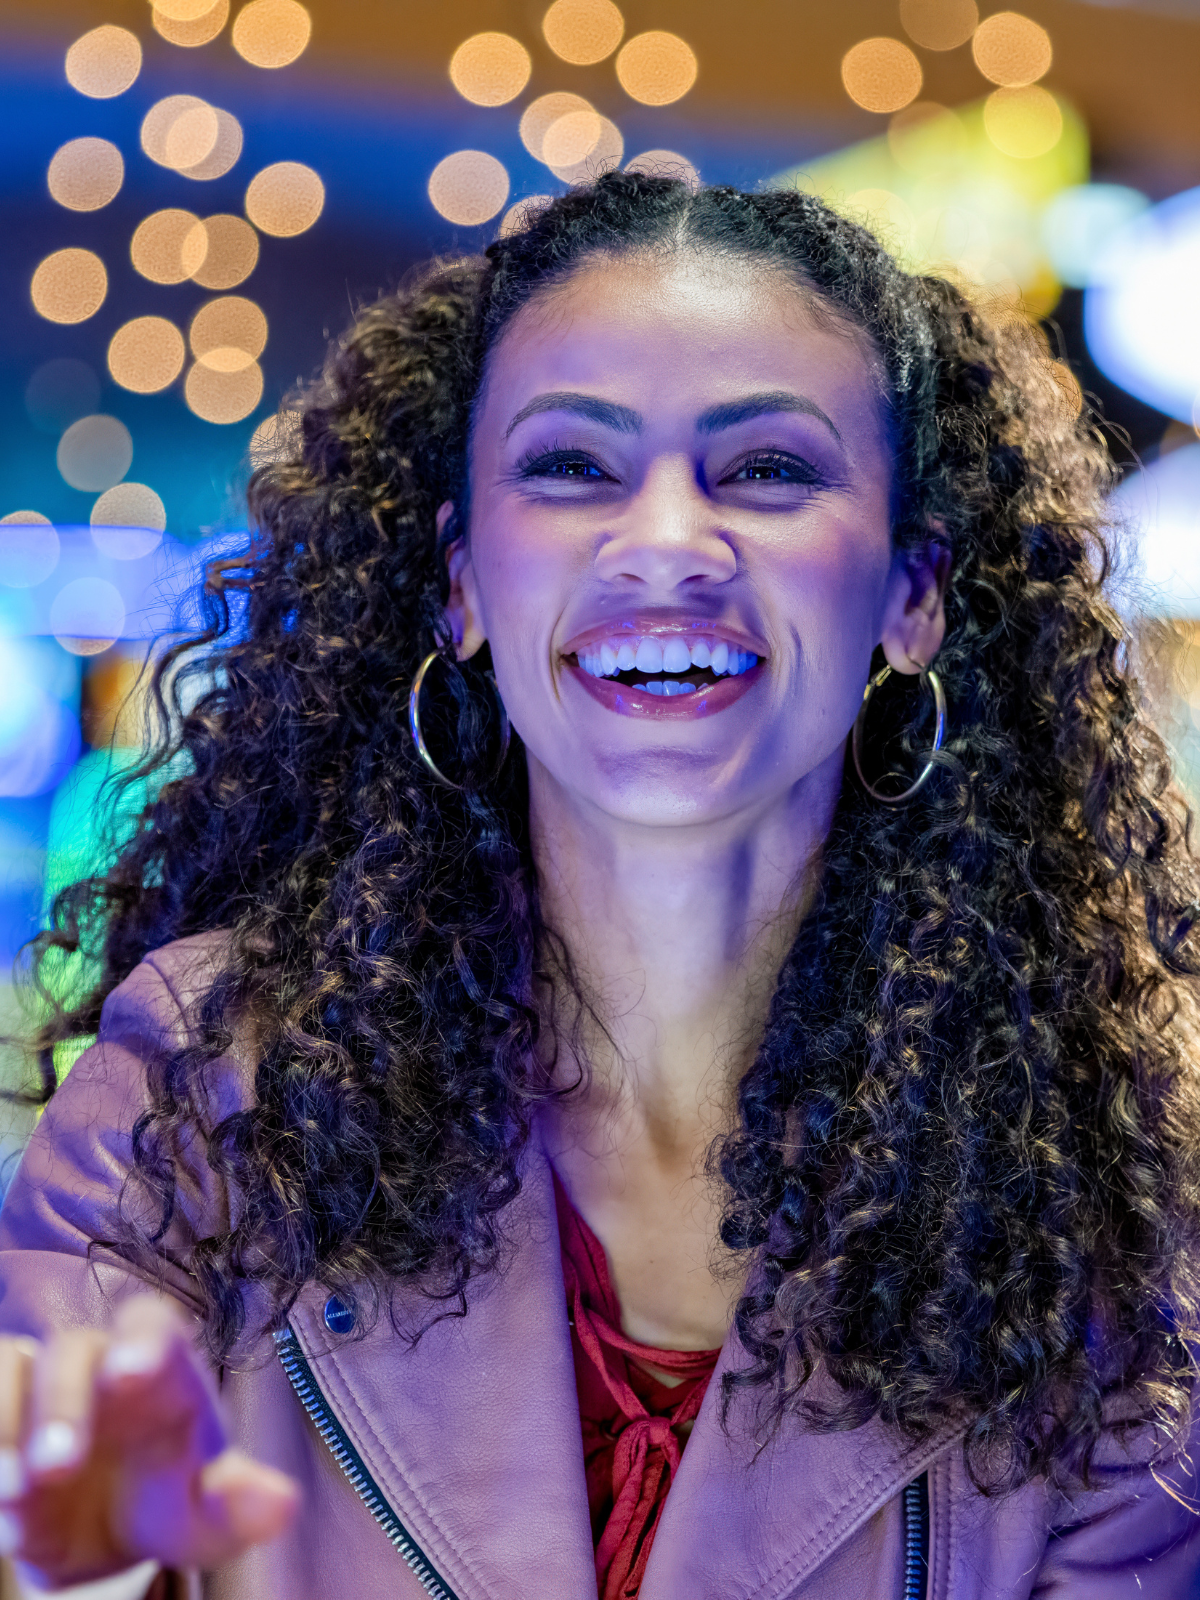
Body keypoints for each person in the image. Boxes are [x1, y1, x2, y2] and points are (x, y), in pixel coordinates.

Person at [1, 170, 1199, 1600]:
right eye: (572, 466)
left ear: (911, 594)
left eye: (768, 470)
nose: (667, 547)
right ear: (459, 584)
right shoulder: (205, 1087)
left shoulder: (1119, 1203)